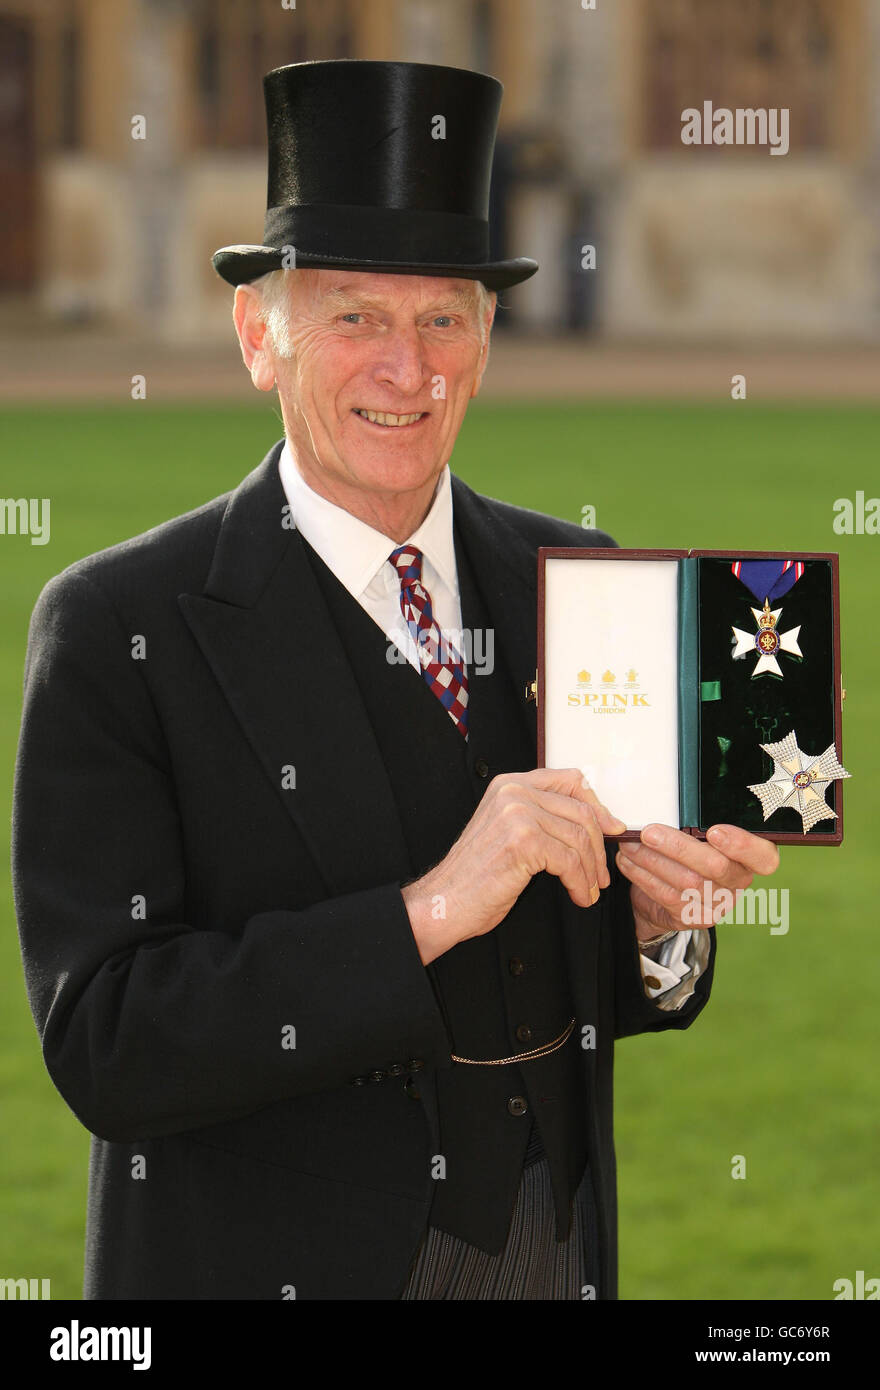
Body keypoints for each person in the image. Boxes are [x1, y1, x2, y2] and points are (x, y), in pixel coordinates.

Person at [11, 60, 779, 1301]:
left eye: (441, 320)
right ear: (259, 337)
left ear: (485, 339)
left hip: (556, 1251)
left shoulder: (573, 577)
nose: (405, 369)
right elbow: (109, 1044)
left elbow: (602, 984)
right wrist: (428, 908)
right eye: (355, 316)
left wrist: (653, 928)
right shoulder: (116, 626)